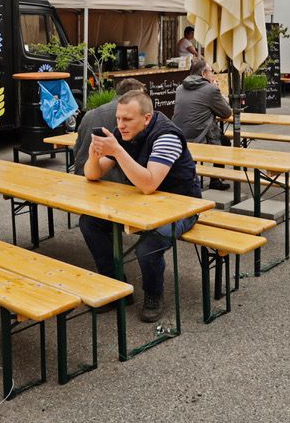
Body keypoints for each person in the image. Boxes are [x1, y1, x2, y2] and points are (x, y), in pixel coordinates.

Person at [80, 91, 201, 323]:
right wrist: (94, 155)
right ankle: (116, 287)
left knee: (148, 246)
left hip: (183, 206)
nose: (120, 125)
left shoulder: (167, 136)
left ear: (146, 119)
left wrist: (116, 150)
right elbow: (92, 175)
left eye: (127, 120)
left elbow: (149, 183)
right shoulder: (124, 134)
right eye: (118, 119)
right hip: (142, 204)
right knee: (89, 222)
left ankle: (153, 294)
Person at [172, 59, 232, 190]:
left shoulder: (180, 88)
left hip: (179, 135)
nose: (213, 75)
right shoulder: (210, 89)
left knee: (219, 137)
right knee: (224, 142)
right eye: (211, 71)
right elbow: (227, 113)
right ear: (204, 73)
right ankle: (215, 180)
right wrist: (217, 89)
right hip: (199, 137)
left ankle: (196, 178)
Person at [73, 77, 145, 180]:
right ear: (134, 96)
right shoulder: (133, 115)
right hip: (110, 183)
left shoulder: (90, 114)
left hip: (81, 175)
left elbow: (76, 149)